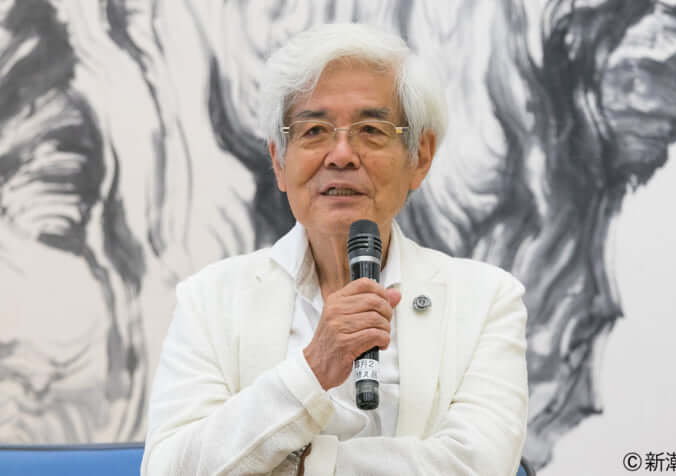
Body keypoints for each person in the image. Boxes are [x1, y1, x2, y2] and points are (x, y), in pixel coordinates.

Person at [141, 23, 528, 476]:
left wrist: (304, 466)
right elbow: (168, 469)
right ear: (278, 161)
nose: (341, 154)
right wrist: (312, 369)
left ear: (419, 157)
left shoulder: (485, 300)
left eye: (371, 129)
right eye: (314, 131)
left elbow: (479, 466)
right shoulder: (210, 299)